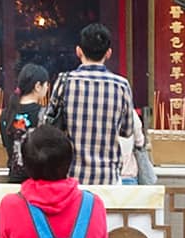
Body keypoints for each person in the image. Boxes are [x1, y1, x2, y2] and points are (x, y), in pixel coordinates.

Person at [55, 25, 144, 188]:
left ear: (78, 51)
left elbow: (50, 126)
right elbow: (127, 131)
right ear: (108, 53)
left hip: (72, 178)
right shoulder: (121, 85)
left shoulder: (65, 81)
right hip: (108, 179)